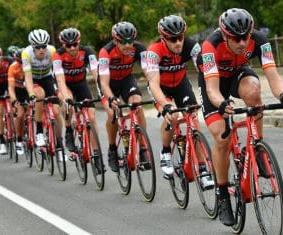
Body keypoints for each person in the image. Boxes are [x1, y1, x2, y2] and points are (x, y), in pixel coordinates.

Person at [197, 8, 283, 226]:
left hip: (237, 74)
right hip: (213, 83)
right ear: (225, 35)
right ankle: (223, 192)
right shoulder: (210, 46)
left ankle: (256, 148)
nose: (242, 42)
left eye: (245, 36)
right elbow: (213, 90)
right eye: (236, 38)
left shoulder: (259, 40)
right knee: (222, 138)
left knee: (254, 92)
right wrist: (222, 104)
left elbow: (273, 76)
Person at [145, 15, 214, 187]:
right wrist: (166, 106)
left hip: (181, 84)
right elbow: (153, 84)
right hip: (161, 87)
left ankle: (203, 168)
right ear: (163, 38)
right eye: (173, 39)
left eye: (180, 37)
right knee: (173, 116)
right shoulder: (153, 52)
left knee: (193, 117)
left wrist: (212, 95)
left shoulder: (191, 46)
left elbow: (205, 71)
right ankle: (166, 152)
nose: (178, 43)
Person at [98, 21, 148, 172]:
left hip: (126, 80)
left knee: (137, 105)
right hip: (108, 84)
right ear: (115, 40)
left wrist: (154, 87)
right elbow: (104, 82)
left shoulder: (139, 49)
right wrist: (111, 98)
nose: (128, 45)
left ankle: (143, 148)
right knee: (112, 113)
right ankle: (112, 150)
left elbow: (149, 73)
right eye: (123, 42)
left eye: (130, 41)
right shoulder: (105, 52)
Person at [52, 27, 101, 166]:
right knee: (67, 103)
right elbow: (60, 79)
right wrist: (67, 98)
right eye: (68, 45)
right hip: (65, 84)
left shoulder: (88, 52)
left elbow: (96, 72)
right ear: (63, 45)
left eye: (75, 44)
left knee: (91, 117)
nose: (72, 48)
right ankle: (68, 130)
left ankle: (96, 154)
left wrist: (101, 90)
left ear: (79, 42)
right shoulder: (57, 55)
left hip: (81, 83)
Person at [22, 29, 64, 147]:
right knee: (39, 95)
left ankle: (59, 143)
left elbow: (57, 73)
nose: (41, 50)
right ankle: (39, 132)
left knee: (56, 111)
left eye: (43, 46)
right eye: (38, 47)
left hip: (47, 77)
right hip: (33, 79)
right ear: (33, 47)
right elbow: (28, 77)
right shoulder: (26, 53)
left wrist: (60, 90)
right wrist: (31, 94)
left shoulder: (52, 51)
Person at [8, 46, 28, 155]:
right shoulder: (12, 68)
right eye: (19, 62)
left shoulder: (31, 65)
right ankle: (19, 140)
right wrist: (14, 99)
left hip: (29, 89)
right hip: (17, 91)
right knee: (20, 115)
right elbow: (10, 88)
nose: (22, 64)